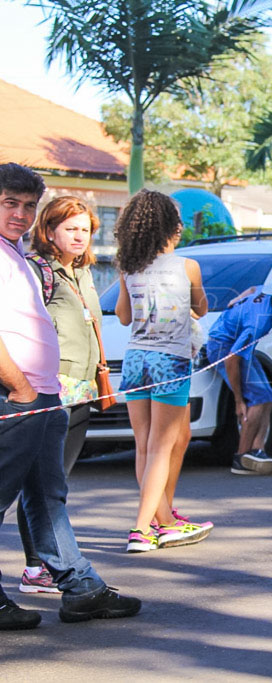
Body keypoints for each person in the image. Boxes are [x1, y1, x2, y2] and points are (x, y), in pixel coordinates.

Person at [0, 162, 141, 628]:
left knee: (47, 494)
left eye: (27, 205)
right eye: (10, 203)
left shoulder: (14, 252)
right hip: (18, 397)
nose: (20, 214)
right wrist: (20, 388)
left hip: (46, 395)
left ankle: (81, 588)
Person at [15, 197, 103, 594]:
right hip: (49, 387)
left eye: (85, 229)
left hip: (80, 389)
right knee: (40, 481)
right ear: (49, 231)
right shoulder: (38, 270)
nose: (79, 236)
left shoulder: (83, 273)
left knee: (56, 480)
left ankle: (51, 565)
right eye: (71, 228)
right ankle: (37, 567)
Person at [115, 189, 211, 553]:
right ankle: (144, 528)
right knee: (160, 447)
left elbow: (123, 317)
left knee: (148, 445)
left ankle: (165, 518)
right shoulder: (187, 266)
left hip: (136, 359)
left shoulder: (129, 267)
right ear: (170, 227)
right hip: (170, 360)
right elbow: (200, 308)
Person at [206, 271, 272, 475]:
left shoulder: (267, 294)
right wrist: (238, 400)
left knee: (268, 397)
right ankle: (241, 458)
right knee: (258, 400)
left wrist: (237, 299)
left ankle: (258, 450)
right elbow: (232, 359)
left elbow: (252, 289)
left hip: (237, 348)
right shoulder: (259, 321)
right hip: (222, 347)